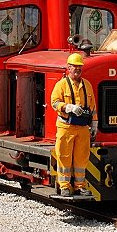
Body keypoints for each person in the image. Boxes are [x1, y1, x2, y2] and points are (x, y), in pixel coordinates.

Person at [50, 52, 98, 197]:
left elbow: (93, 107)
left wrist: (94, 124)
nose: (77, 70)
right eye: (74, 67)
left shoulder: (87, 85)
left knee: (81, 158)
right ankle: (64, 186)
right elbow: (54, 102)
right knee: (64, 156)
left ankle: (80, 186)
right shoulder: (61, 85)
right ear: (68, 68)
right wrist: (68, 107)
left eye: (79, 67)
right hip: (66, 127)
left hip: (83, 128)